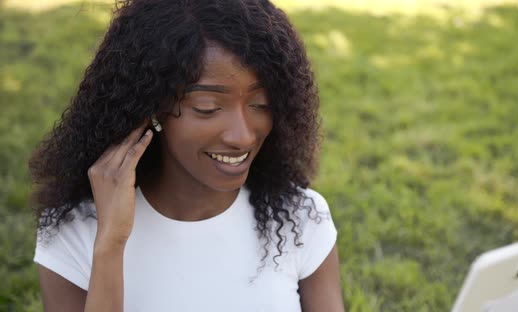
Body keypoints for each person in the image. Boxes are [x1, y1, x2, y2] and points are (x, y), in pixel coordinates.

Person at [28, 0, 344, 311]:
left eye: (261, 104)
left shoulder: (300, 218)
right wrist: (110, 243)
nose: (243, 136)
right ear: (152, 108)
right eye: (208, 108)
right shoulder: (74, 230)